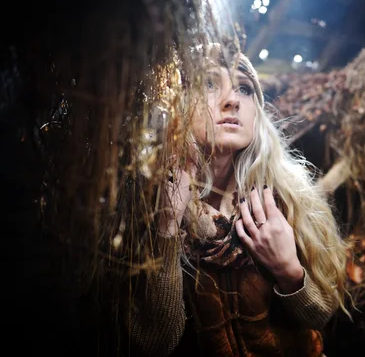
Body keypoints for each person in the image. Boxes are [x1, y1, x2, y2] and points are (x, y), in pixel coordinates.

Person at [127, 44, 349, 357]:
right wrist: (167, 228)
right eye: (208, 83)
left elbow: (320, 315)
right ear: (176, 103)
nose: (231, 100)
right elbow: (153, 343)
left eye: (244, 88)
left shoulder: (287, 197)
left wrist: (288, 269)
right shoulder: (142, 199)